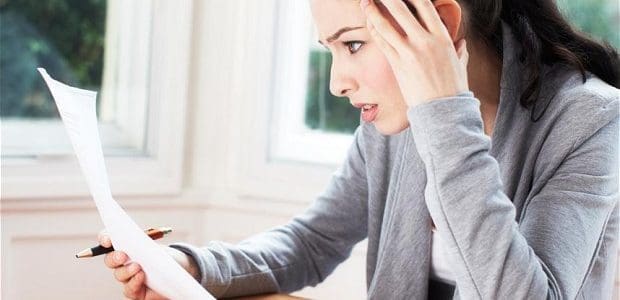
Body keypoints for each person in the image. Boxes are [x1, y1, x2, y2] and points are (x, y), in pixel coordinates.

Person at [99, 0, 620, 299]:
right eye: (329, 50)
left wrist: (443, 112)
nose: (336, 84)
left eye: (352, 45)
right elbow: (313, 242)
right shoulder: (392, 123)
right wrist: (190, 265)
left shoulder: (590, 119)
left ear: (440, 23)